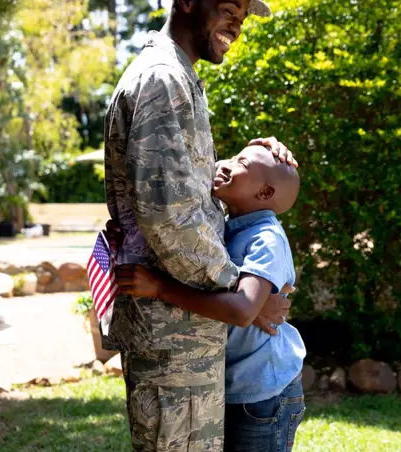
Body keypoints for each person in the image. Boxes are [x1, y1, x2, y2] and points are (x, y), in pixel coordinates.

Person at [101, 0, 297, 450]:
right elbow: (169, 217)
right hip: (174, 343)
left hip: (185, 335)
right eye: (230, 8)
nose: (237, 25)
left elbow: (184, 187)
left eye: (243, 17)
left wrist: (260, 158)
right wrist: (245, 293)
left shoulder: (177, 78)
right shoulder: (163, 80)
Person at [121, 145, 306, 452]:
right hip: (238, 386)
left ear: (265, 193)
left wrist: (160, 288)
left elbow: (244, 310)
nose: (225, 164)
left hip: (264, 394)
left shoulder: (266, 239)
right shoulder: (229, 226)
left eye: (240, 162)